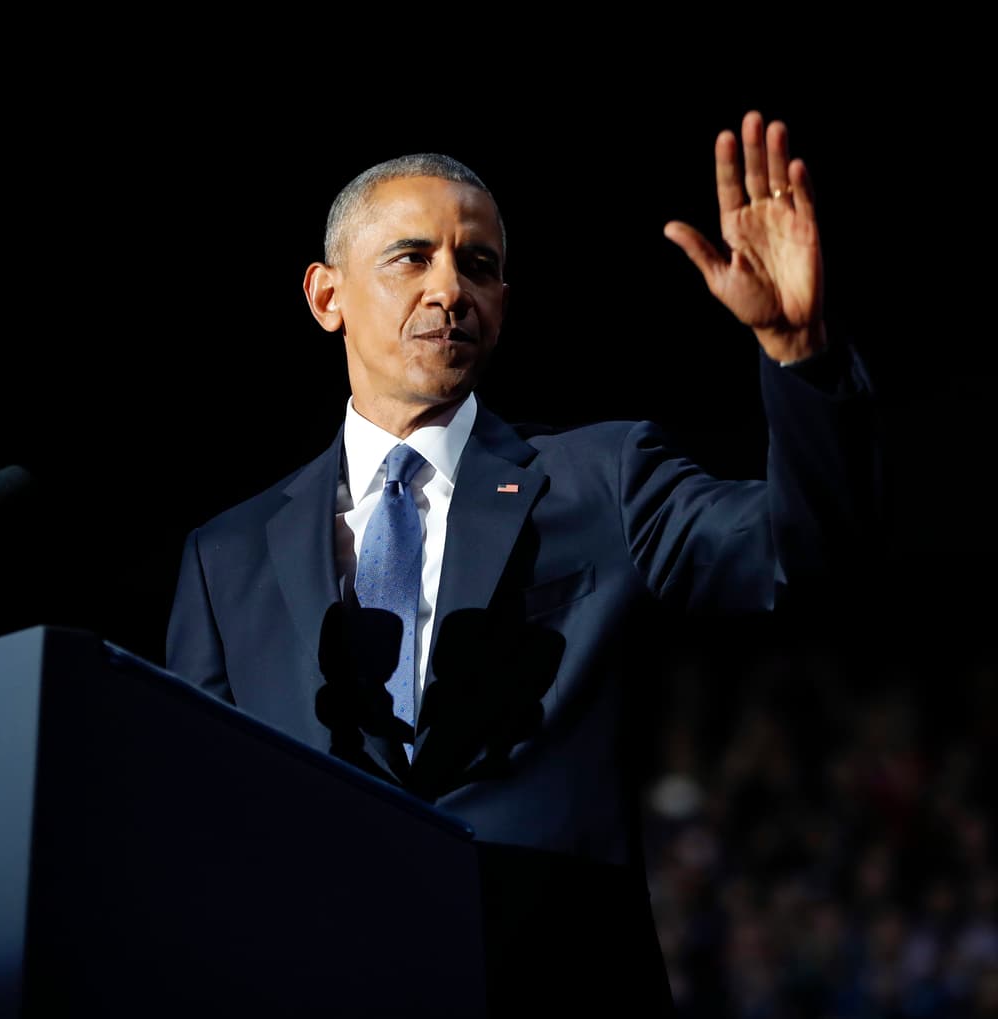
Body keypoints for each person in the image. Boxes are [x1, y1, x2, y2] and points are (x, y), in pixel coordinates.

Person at [165, 111, 879, 1014]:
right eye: (412, 257)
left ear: (503, 302)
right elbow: (190, 816)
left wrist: (800, 357)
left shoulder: (603, 479)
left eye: (478, 265)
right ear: (326, 295)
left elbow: (799, 555)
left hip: (553, 981)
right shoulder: (226, 557)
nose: (450, 289)